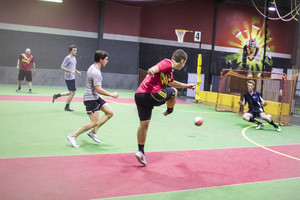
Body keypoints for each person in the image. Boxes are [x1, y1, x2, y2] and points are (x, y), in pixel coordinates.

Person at [134, 49, 196, 166]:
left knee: (144, 124)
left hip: (139, 95)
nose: (184, 65)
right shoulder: (168, 63)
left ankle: (140, 151)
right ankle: (169, 110)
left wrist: (187, 86)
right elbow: (158, 66)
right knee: (174, 92)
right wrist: (152, 69)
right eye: (184, 63)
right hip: (152, 94)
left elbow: (171, 83)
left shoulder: (169, 71)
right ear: (182, 61)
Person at [67, 50, 118, 148]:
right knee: (94, 122)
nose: (107, 61)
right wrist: (112, 95)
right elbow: (98, 89)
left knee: (110, 112)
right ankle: (73, 136)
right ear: (101, 60)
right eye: (106, 59)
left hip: (95, 97)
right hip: (90, 99)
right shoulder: (95, 72)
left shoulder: (93, 67)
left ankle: (93, 132)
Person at [52, 45, 81, 111]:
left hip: (72, 77)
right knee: (72, 92)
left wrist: (76, 71)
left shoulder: (74, 58)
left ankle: (56, 96)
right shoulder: (68, 58)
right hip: (69, 77)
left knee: (70, 92)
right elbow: (62, 67)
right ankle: (66, 107)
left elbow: (72, 67)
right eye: (74, 50)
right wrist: (70, 71)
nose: (75, 51)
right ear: (70, 51)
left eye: (76, 50)